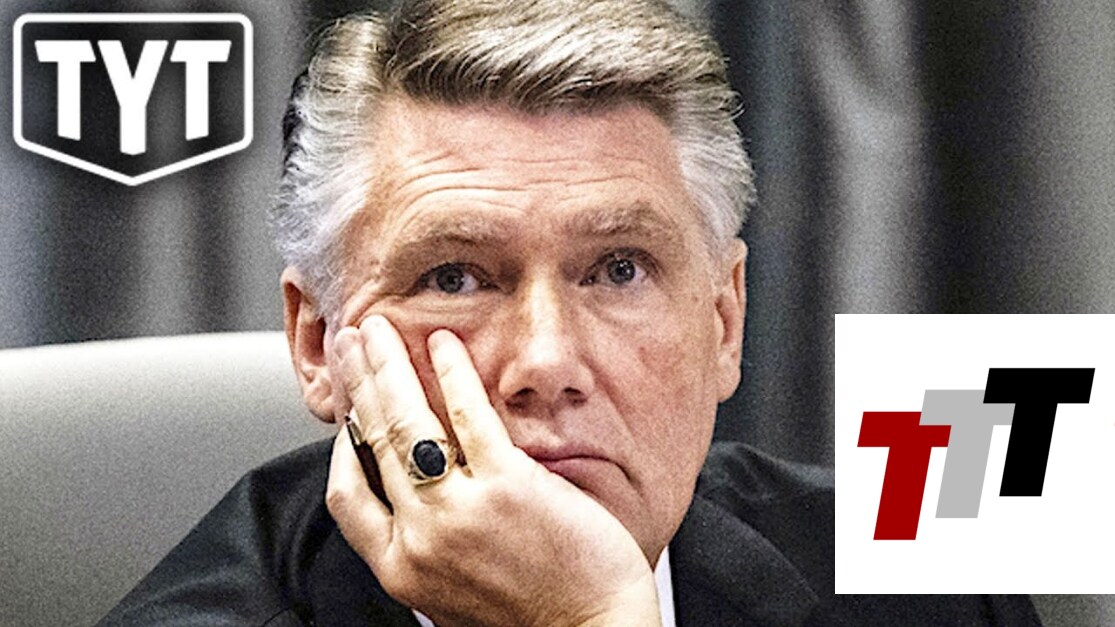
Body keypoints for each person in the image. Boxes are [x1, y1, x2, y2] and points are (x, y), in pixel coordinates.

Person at [99, 0, 1041, 625]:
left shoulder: (930, 582)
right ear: (317, 344)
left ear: (723, 321)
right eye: (455, 277)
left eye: (619, 269)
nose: (546, 362)